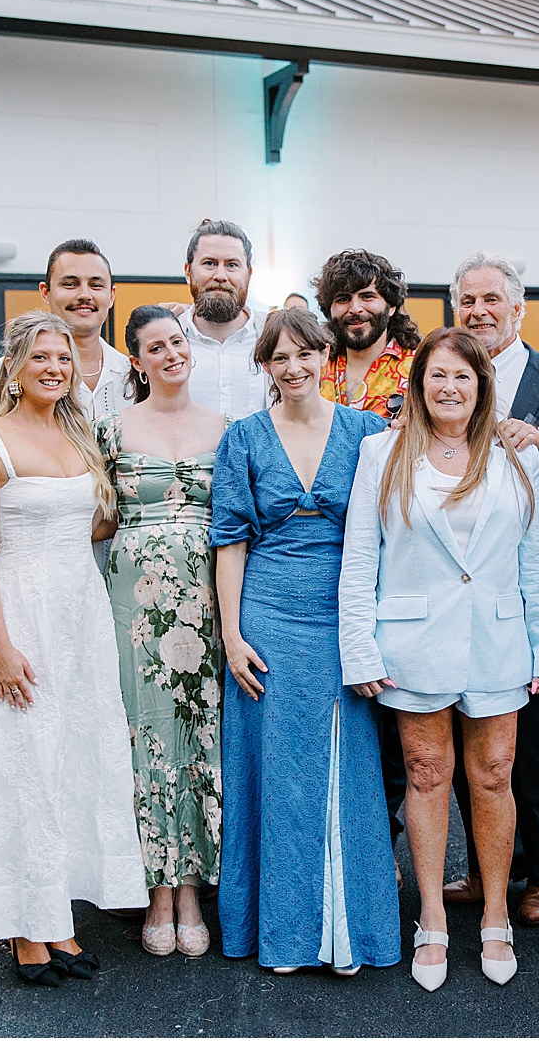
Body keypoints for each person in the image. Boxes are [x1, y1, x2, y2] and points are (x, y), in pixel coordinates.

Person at [338, 327, 539, 991]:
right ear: (419, 382)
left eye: (462, 376)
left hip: (498, 641)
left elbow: (537, 562)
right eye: (437, 374)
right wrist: (359, 647)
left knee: (494, 774)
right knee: (427, 771)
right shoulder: (381, 452)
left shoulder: (514, 456)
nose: (449, 387)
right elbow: (360, 560)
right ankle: (432, 916)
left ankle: (496, 913)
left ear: (481, 385)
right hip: (411, 641)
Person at [0, 311, 146, 985]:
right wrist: (1, 647)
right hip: (19, 614)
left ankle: (56, 917)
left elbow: (96, 519)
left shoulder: (76, 434)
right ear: (13, 366)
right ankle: (23, 931)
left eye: (63, 357)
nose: (55, 367)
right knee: (23, 760)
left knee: (71, 757)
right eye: (41, 357)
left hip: (79, 615)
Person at [211, 309, 399, 976]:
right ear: (264, 366)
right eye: (278, 358)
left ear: (326, 356)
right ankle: (284, 933)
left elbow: (392, 528)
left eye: (305, 354)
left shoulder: (368, 431)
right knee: (275, 769)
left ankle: (348, 933)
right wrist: (232, 633)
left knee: (346, 766)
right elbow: (230, 541)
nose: (293, 367)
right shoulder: (243, 438)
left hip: (342, 610)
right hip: (266, 611)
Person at [442, 252, 539, 928]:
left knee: (534, 725)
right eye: (466, 300)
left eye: (490, 299)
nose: (478, 311)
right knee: (465, 721)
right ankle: (481, 868)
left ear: (518, 307)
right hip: (455, 584)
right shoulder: (442, 373)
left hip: (535, 580)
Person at [94, 304, 228, 958]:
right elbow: (92, 517)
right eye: (156, 346)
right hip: (135, 598)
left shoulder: (226, 428)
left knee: (203, 729)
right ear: (137, 361)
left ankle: (195, 886)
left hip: (207, 595)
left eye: (178, 341)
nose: (172, 352)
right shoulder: (111, 430)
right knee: (145, 729)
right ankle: (156, 887)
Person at [0, 240, 133, 445]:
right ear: (45, 292)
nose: (84, 295)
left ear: (111, 296)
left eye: (95, 285)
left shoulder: (133, 375)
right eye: (70, 284)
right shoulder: (11, 372)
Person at [178, 219, 269, 420]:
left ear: (249, 274)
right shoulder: (167, 338)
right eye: (209, 263)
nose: (220, 275)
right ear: (188, 272)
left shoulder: (275, 337)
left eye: (232, 265)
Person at [315, 249, 422, 420]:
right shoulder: (314, 367)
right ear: (329, 310)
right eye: (343, 299)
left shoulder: (420, 367)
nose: (355, 308)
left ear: (391, 306)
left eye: (367, 296)